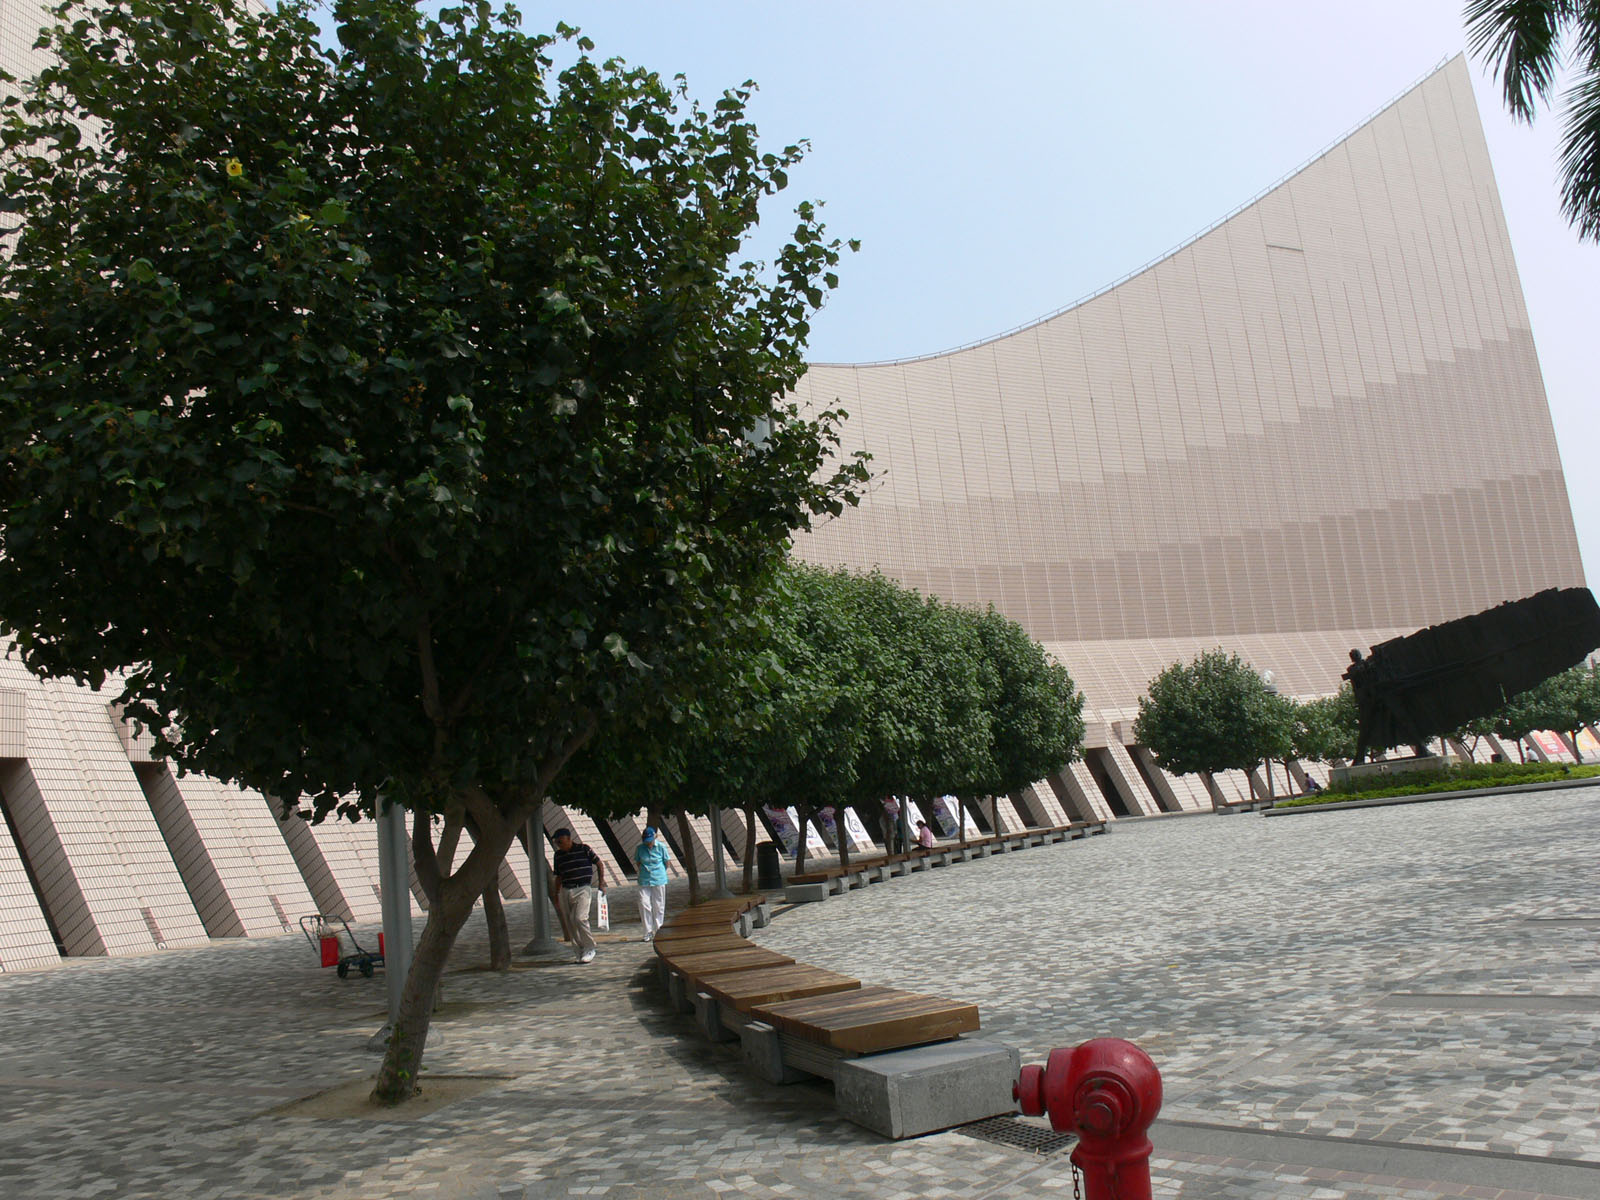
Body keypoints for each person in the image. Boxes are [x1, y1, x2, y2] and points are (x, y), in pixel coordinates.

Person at [552, 827, 606, 964]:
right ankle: (579, 950)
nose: (559, 845)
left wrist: (601, 883)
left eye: (561, 841)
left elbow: (599, 864)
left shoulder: (584, 849)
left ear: (569, 839)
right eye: (557, 843)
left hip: (583, 889)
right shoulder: (558, 855)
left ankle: (590, 947)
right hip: (566, 890)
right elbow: (558, 876)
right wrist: (556, 895)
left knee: (580, 918)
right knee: (570, 922)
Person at [634, 825, 670, 942]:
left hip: (658, 878)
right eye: (646, 841)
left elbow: (666, 863)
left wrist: (659, 872)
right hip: (644, 879)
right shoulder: (640, 848)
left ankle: (659, 929)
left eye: (650, 841)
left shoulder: (661, 847)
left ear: (655, 838)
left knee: (658, 905)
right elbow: (638, 862)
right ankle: (647, 931)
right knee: (644, 904)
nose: (648, 844)